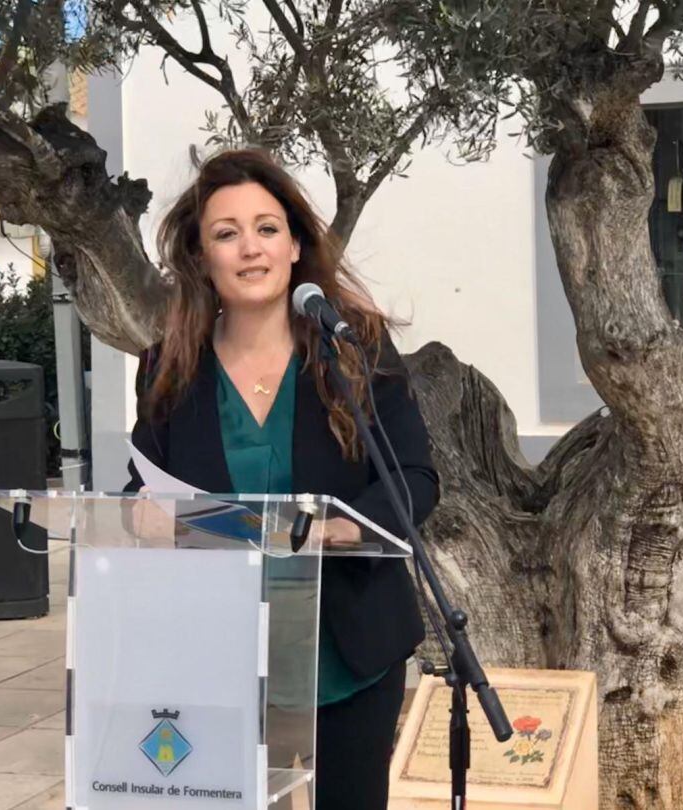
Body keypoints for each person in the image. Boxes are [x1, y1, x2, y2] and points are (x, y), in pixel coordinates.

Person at [123, 148, 438, 810]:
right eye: (226, 233)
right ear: (201, 254)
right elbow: (140, 489)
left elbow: (413, 476)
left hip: (348, 651)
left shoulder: (358, 349)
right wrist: (138, 516)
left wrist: (351, 525)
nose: (250, 249)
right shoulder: (166, 367)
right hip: (219, 658)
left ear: (296, 244)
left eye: (267, 228)